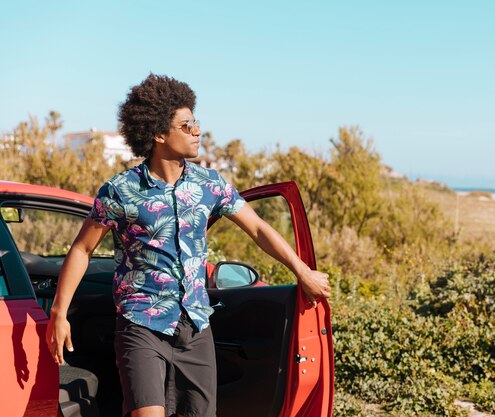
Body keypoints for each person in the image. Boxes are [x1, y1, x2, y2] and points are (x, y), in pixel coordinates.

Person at [46, 74, 331, 417]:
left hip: (195, 326)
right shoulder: (120, 190)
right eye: (186, 125)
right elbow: (82, 249)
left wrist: (303, 272)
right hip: (141, 324)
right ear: (159, 134)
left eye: (195, 122)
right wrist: (59, 314)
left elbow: (257, 228)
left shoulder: (210, 184)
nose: (197, 130)